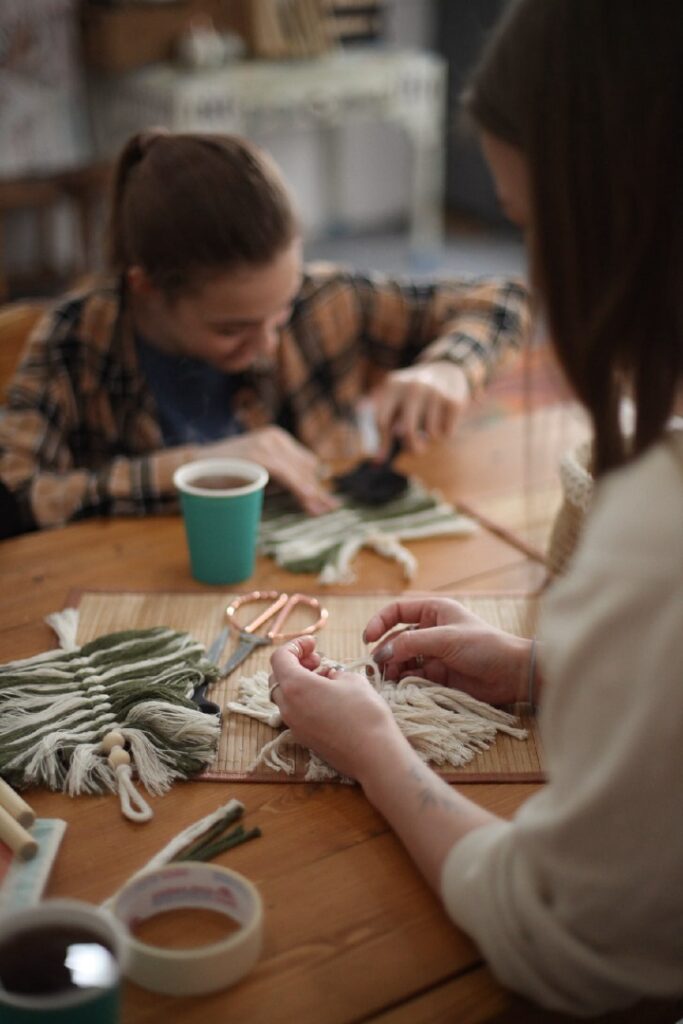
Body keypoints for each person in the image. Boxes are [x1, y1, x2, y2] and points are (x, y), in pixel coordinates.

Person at [268, 0, 683, 1016]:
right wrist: (545, 668)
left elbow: (568, 946)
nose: (534, 270)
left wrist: (373, 745)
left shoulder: (655, 525)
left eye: (534, 225)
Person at [0, 131, 529, 539]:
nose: (269, 345)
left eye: (279, 312)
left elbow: (503, 300)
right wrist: (198, 468)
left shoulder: (324, 302)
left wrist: (450, 367)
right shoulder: (76, 341)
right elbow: (13, 498)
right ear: (146, 289)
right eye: (232, 329)